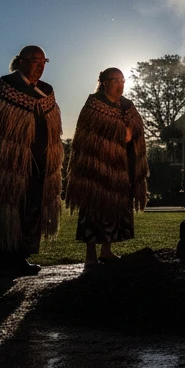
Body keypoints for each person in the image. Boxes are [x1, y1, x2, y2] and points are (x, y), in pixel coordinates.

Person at [0, 45, 64, 278]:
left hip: (37, 164)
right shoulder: (6, 85)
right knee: (3, 209)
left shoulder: (46, 90)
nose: (39, 66)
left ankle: (20, 257)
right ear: (19, 62)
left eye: (43, 62)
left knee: (30, 209)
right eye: (33, 60)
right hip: (7, 166)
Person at [65, 67, 149, 268]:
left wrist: (128, 134)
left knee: (115, 209)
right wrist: (119, 131)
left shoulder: (128, 106)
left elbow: (136, 131)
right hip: (97, 170)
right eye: (115, 80)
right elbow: (87, 136)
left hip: (122, 168)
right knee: (95, 209)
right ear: (104, 82)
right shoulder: (94, 105)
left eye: (122, 80)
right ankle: (90, 255)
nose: (120, 84)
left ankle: (107, 250)